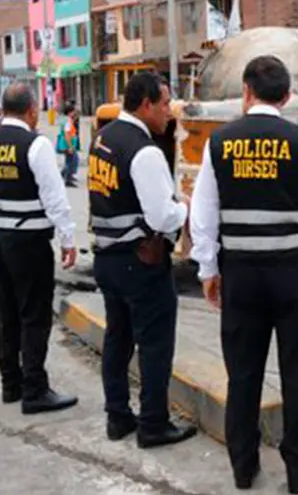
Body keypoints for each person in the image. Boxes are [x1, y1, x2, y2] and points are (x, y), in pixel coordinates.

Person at [189, 56, 298, 493]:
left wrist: (207, 269)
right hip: (294, 277)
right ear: (286, 97)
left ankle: (243, 467)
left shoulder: (219, 143)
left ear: (245, 92)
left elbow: (202, 214)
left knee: (242, 375)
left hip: (240, 277)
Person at [89, 72, 197, 449]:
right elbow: (160, 218)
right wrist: (185, 209)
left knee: (118, 339)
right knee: (154, 345)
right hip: (141, 262)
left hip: (108, 258)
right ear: (147, 104)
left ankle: (117, 417)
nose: (169, 112)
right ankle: (153, 423)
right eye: (165, 103)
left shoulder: (103, 138)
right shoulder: (144, 149)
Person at [0, 83, 78, 415]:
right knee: (34, 315)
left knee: (9, 315)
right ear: (32, 110)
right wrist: (68, 238)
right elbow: (54, 196)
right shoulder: (35, 145)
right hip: (29, 244)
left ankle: (11, 385)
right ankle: (35, 389)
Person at [56, 103, 81, 187]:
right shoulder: (68, 121)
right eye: (73, 111)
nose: (75, 113)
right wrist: (70, 146)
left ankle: (63, 174)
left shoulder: (65, 119)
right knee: (72, 161)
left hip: (65, 144)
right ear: (70, 112)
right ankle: (68, 179)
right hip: (67, 145)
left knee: (70, 160)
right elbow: (67, 134)